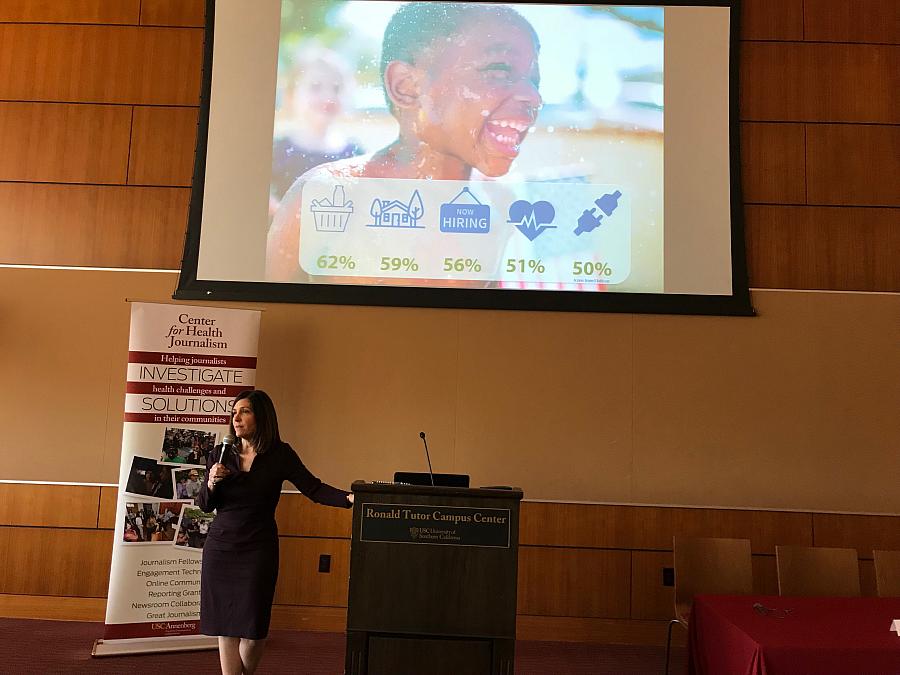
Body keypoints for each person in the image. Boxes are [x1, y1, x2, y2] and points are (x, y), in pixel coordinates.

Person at [266, 2, 542, 281]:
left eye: (535, 81)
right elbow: (273, 316)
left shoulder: (500, 202)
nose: (534, 97)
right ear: (407, 85)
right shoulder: (327, 194)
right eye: (498, 70)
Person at [197, 389, 353, 675]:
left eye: (244, 411)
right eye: (234, 412)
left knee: (254, 629)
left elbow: (314, 488)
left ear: (262, 416)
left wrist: (350, 499)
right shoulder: (219, 454)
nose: (237, 418)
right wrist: (210, 483)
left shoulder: (280, 454)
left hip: (258, 548)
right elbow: (205, 506)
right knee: (226, 628)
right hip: (221, 548)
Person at [270, 46, 362, 209]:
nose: (328, 96)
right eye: (315, 86)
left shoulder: (355, 154)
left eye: (336, 88)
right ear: (291, 96)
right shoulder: (277, 151)